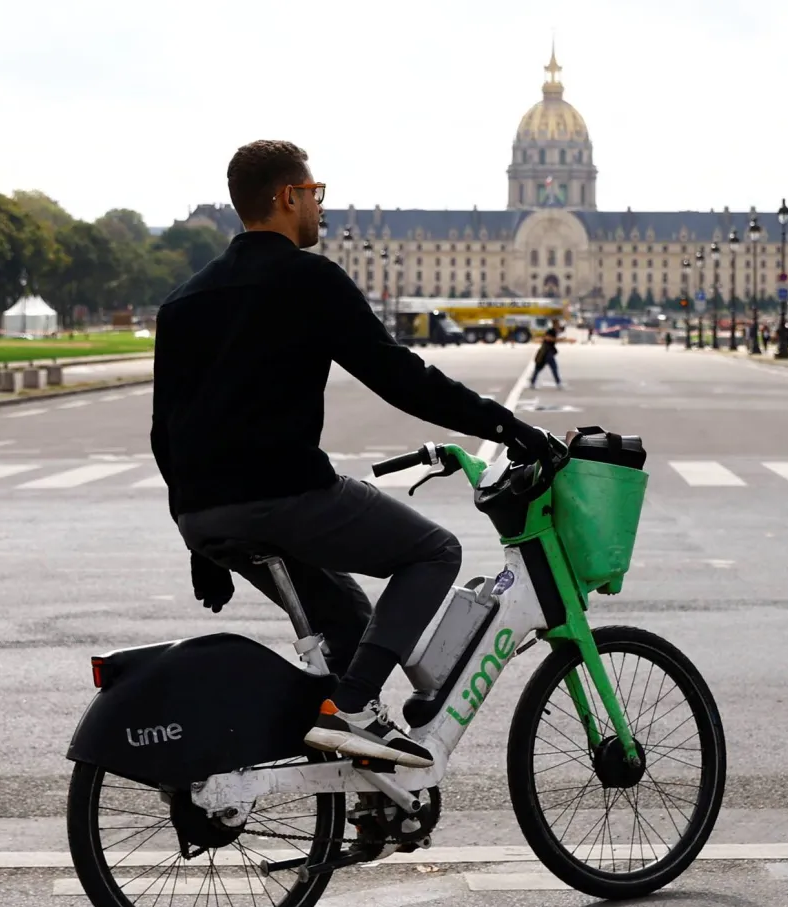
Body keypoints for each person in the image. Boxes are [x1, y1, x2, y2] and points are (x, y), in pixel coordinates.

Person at [152, 140, 554, 768]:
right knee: (434, 551)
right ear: (287, 198)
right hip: (285, 494)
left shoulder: (182, 301)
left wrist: (197, 540)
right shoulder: (307, 280)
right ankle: (356, 709)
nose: (320, 209)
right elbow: (399, 377)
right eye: (314, 195)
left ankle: (350, 783)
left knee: (345, 620)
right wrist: (505, 426)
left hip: (205, 514)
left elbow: (164, 433)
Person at [532, 321, 563, 388]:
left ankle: (532, 382)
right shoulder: (551, 331)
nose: (558, 326)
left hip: (547, 352)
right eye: (558, 325)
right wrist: (557, 340)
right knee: (552, 367)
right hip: (547, 352)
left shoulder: (553, 331)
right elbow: (547, 338)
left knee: (539, 368)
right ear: (555, 325)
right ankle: (558, 382)